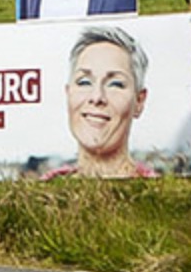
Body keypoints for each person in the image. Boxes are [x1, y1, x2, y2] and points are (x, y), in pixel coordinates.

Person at [47, 24, 156, 178]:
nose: (97, 97)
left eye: (115, 84)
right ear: (68, 93)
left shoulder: (159, 193)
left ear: (139, 101)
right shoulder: (39, 194)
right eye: (84, 82)